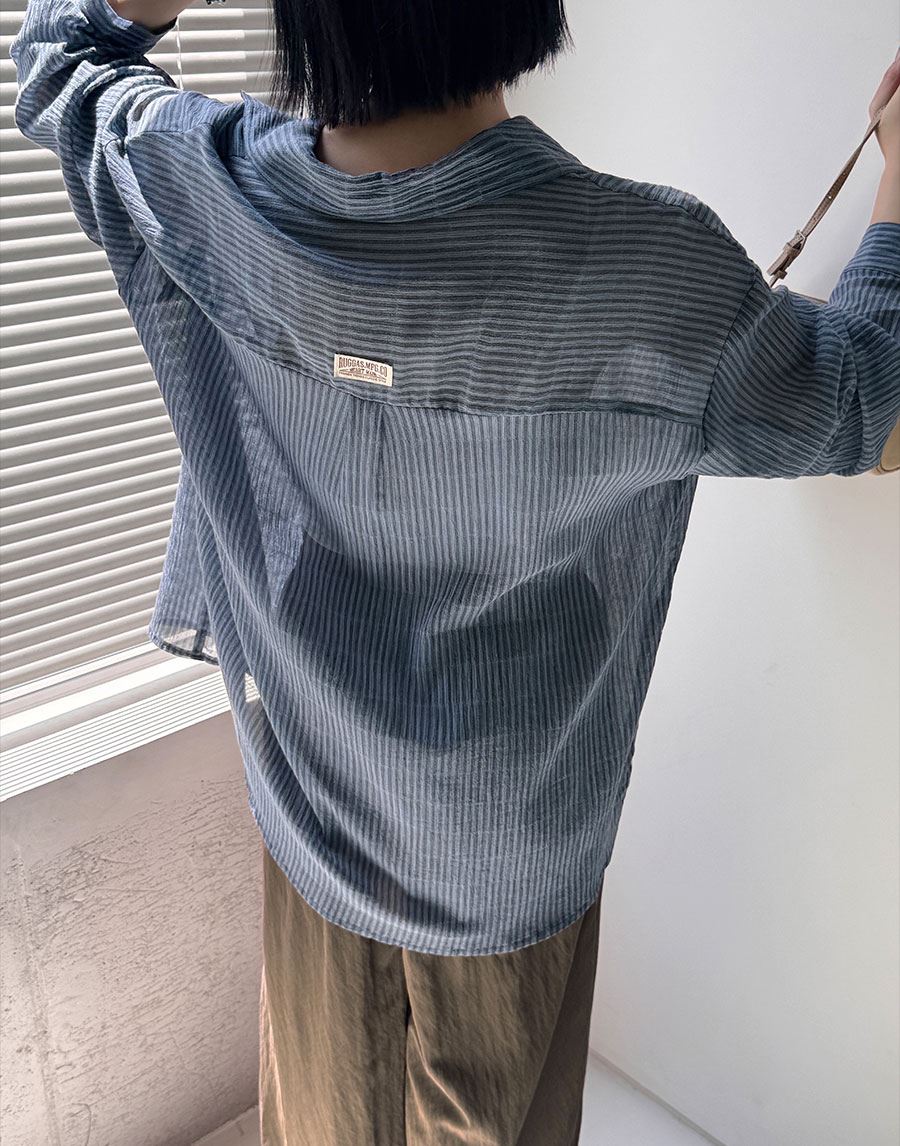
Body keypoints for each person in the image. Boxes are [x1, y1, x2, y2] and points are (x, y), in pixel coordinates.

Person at [9, 0, 900, 1141]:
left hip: (311, 812)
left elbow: (59, 55)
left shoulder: (201, 184)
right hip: (509, 858)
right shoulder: (649, 269)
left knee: (321, 1119)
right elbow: (869, 407)